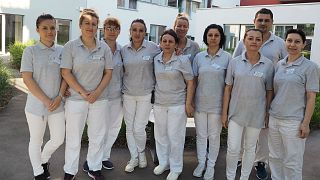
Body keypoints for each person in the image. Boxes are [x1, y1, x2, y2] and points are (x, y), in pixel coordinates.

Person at [232, 8, 287, 180]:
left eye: (266, 20)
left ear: (272, 22)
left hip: (268, 95)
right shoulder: (243, 42)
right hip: (243, 97)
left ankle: (260, 162)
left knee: (263, 132)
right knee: (241, 130)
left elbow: (286, 64)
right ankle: (241, 158)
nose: (263, 23)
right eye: (260, 20)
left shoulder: (280, 44)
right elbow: (234, 66)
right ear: (254, 21)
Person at [61, 9, 113, 180]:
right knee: (74, 137)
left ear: (97, 26)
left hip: (99, 99)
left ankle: (94, 168)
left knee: (97, 136)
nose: (90, 27)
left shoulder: (104, 47)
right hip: (76, 99)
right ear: (80, 25)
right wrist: (83, 93)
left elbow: (108, 73)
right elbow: (66, 73)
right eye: (87, 23)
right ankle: (70, 171)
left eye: (93, 24)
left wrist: (96, 93)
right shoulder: (70, 47)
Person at [221, 29, 274, 180]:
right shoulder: (234, 62)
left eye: (258, 39)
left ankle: (244, 177)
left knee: (250, 149)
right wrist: (224, 112)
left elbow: (269, 90)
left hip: (256, 115)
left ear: (262, 42)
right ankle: (230, 177)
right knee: (233, 148)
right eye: (250, 38)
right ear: (244, 40)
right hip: (236, 113)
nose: (254, 41)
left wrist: (267, 113)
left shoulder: (268, 65)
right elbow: (228, 88)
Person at [268, 29, 319, 180]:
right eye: (289, 40)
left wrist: (306, 123)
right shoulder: (279, 65)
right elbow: (275, 92)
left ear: (304, 44)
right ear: (285, 43)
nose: (292, 44)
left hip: (293, 121)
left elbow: (311, 97)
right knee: (275, 157)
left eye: (297, 41)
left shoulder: (310, 67)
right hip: (274, 118)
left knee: (292, 161)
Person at [21, 14, 67, 180]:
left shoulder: (62, 51)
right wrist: (46, 100)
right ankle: (38, 173)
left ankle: (43, 160)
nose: (49, 31)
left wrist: (60, 96)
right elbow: (27, 78)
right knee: (36, 140)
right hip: (36, 107)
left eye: (52, 27)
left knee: (58, 138)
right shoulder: (30, 51)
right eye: (45, 28)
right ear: (37, 30)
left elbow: (65, 77)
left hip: (57, 105)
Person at [82, 17, 123, 172]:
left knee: (113, 128)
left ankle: (103, 157)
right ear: (103, 30)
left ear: (119, 31)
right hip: (99, 97)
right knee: (97, 131)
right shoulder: (96, 47)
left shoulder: (122, 50)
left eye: (115, 28)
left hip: (116, 96)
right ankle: (91, 160)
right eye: (108, 28)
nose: (112, 31)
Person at [152, 29, 194, 180]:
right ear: (161, 43)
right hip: (159, 103)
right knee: (161, 135)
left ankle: (176, 167)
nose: (167, 44)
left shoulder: (182, 60)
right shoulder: (156, 59)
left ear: (176, 44)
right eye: (164, 41)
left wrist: (188, 103)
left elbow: (190, 82)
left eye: (170, 41)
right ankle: (164, 163)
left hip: (177, 104)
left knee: (175, 137)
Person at [121, 18, 161, 173]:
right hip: (128, 94)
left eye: (141, 30)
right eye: (134, 30)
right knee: (129, 128)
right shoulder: (124, 50)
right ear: (130, 32)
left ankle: (141, 153)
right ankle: (134, 158)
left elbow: (167, 55)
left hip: (145, 95)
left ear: (145, 32)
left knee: (138, 128)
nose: (137, 33)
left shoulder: (153, 48)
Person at [192, 24, 231, 180]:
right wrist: (191, 101)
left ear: (221, 38)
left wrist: (225, 110)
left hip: (217, 106)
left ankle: (211, 166)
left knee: (214, 137)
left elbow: (229, 86)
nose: (213, 38)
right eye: (210, 35)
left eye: (216, 35)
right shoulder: (199, 57)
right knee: (201, 136)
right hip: (200, 104)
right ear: (206, 37)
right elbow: (193, 81)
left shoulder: (228, 58)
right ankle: (201, 163)